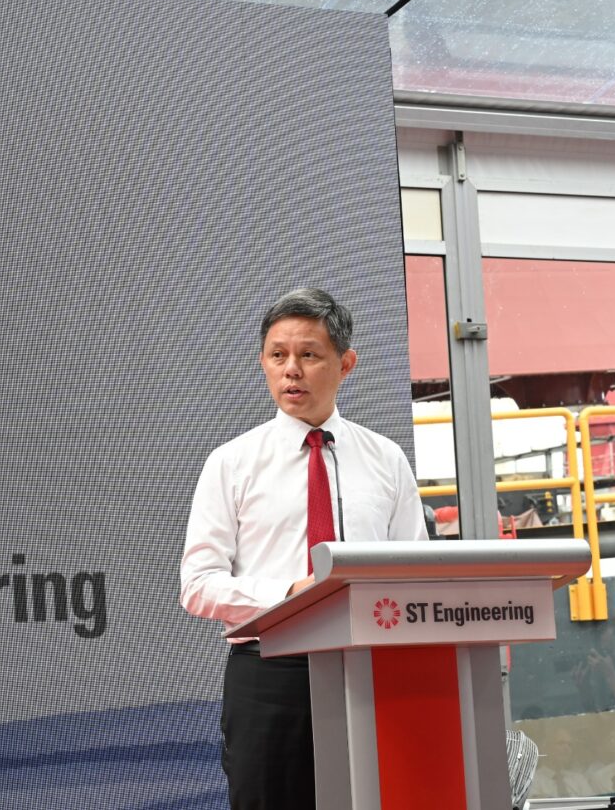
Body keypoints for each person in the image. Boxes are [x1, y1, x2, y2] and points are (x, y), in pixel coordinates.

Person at [179, 288, 428, 810]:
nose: (291, 370)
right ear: (263, 363)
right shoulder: (231, 463)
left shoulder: (386, 459)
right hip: (270, 675)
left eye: (309, 354)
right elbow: (198, 586)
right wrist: (291, 594)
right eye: (278, 355)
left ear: (346, 364)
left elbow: (415, 573)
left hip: (369, 670)